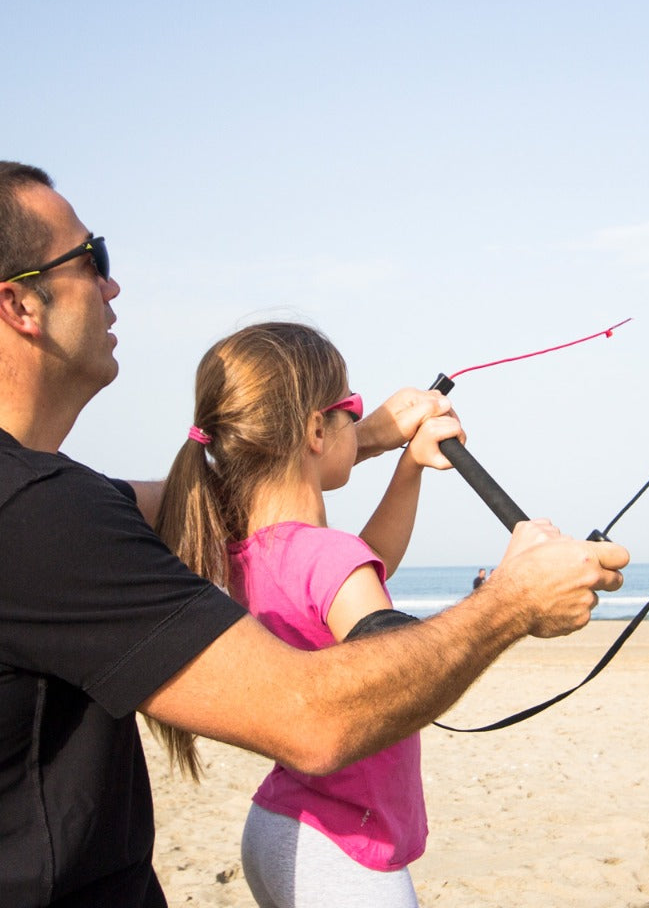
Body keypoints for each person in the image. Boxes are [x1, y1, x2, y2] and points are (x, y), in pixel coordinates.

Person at [0, 162, 628, 908]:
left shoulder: (83, 511)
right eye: (91, 258)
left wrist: (376, 443)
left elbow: (261, 512)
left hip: (277, 825)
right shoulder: (38, 515)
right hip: (346, 846)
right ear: (20, 302)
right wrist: (509, 601)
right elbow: (324, 710)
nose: (112, 285)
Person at [152, 322, 460, 907]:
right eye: (352, 410)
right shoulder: (328, 555)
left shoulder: (245, 550)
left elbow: (365, 566)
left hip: (280, 824)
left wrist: (409, 468)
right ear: (317, 429)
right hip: (347, 849)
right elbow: (397, 663)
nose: (359, 423)